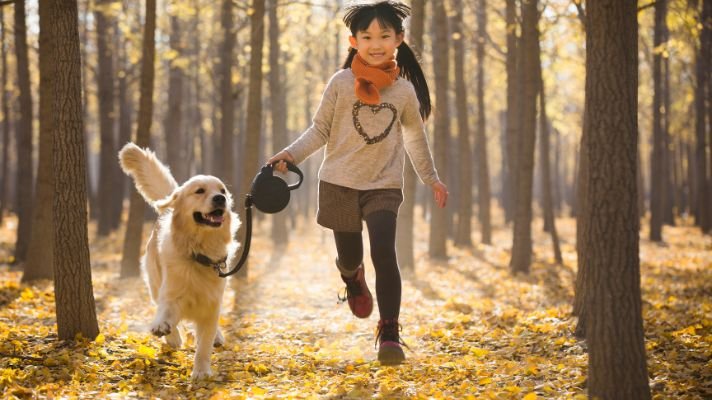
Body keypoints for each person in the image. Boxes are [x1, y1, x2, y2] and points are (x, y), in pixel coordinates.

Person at [267, 0, 448, 365]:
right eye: (367, 36)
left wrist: (431, 178)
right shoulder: (341, 83)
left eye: (384, 35)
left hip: (383, 185)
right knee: (350, 257)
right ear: (354, 41)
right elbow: (319, 130)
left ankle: (390, 333)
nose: (376, 42)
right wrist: (289, 156)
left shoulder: (404, 92)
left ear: (399, 39)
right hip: (338, 183)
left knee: (384, 251)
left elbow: (415, 138)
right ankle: (352, 278)